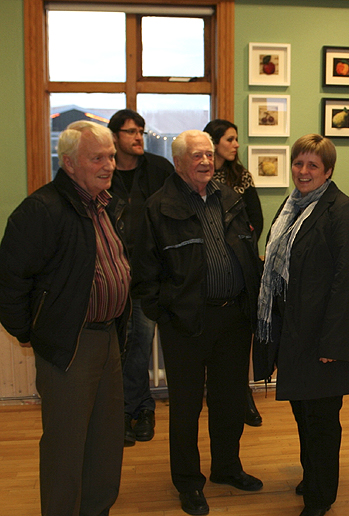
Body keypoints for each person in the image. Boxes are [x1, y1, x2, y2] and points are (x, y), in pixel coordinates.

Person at [0, 121, 131, 516]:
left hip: (107, 338)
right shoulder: (42, 209)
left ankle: (97, 510)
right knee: (66, 445)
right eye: (98, 158)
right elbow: (10, 280)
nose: (109, 165)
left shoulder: (105, 204)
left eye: (111, 156)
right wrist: (31, 332)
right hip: (70, 344)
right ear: (70, 163)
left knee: (106, 440)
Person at [132, 129, 263, 516]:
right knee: (186, 408)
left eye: (208, 154)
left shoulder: (230, 198)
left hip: (233, 318)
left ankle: (227, 467)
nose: (206, 161)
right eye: (197, 156)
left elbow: (247, 250)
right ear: (177, 162)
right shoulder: (159, 207)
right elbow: (144, 273)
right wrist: (167, 312)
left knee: (229, 401)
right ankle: (188, 482)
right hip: (186, 323)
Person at [255, 134, 349, 516]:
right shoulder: (291, 208)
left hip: (323, 338)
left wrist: (333, 346)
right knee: (303, 413)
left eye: (312, 165)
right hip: (295, 334)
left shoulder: (345, 212)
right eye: (298, 163)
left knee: (322, 419)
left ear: (328, 171)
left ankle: (321, 497)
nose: (303, 171)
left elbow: (346, 284)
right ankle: (312, 477)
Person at [108, 109, 175, 445]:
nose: (138, 137)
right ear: (114, 136)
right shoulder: (104, 170)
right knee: (115, 348)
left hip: (148, 275)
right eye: (131, 131)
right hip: (111, 276)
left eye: (141, 131)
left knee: (140, 344)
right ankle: (129, 409)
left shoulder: (159, 169)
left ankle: (136, 409)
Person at [203, 119, 264, 427]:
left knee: (239, 347)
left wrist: (241, 244)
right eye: (230, 139)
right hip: (210, 277)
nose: (236, 144)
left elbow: (256, 220)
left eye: (236, 138)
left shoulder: (241, 176)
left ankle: (244, 397)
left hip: (240, 269)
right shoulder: (201, 176)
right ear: (213, 142)